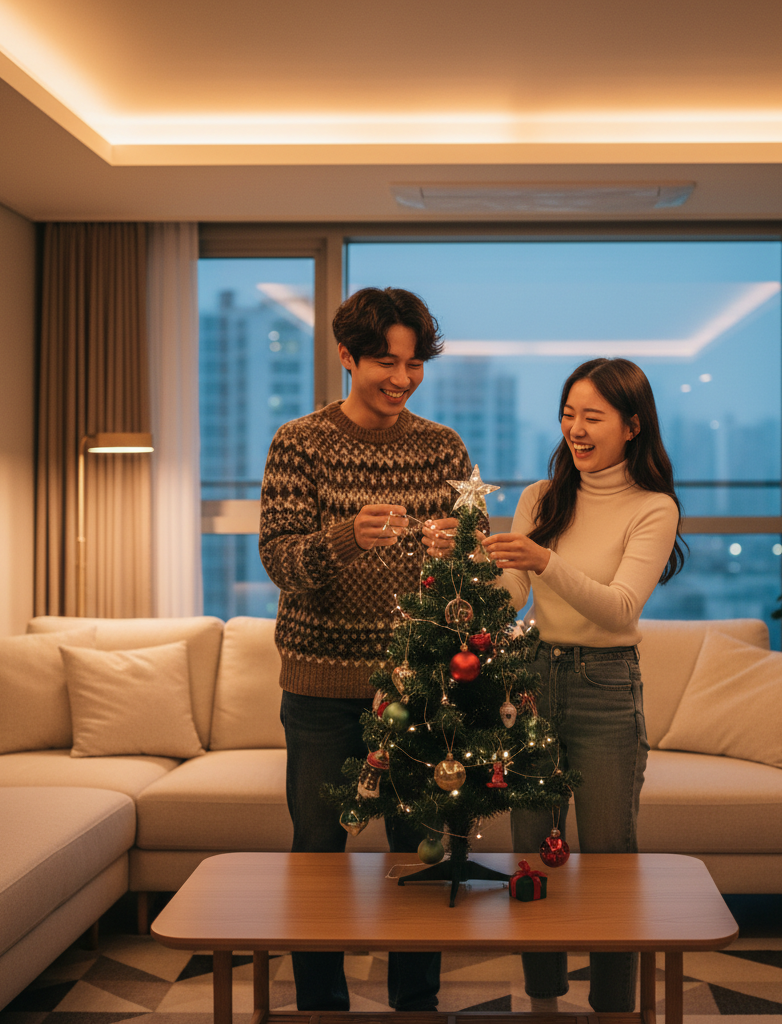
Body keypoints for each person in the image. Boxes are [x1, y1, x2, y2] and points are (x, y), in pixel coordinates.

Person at [258, 286, 469, 1012]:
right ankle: (321, 1005)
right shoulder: (300, 442)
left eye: (414, 365)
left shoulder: (443, 448)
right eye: (387, 362)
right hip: (320, 688)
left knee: (421, 855)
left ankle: (417, 1004)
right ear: (347, 356)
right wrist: (345, 538)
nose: (402, 379)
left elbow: (470, 570)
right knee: (318, 852)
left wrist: (457, 551)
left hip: (419, 691)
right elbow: (280, 561)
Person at [481, 357, 685, 1014]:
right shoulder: (541, 498)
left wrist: (546, 560)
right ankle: (542, 996)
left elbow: (620, 609)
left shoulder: (653, 508)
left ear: (632, 425)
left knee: (608, 854)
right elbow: (512, 594)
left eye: (592, 416)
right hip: (534, 677)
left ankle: (614, 1003)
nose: (575, 429)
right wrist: (468, 566)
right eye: (568, 414)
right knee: (530, 849)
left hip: (606, 686)